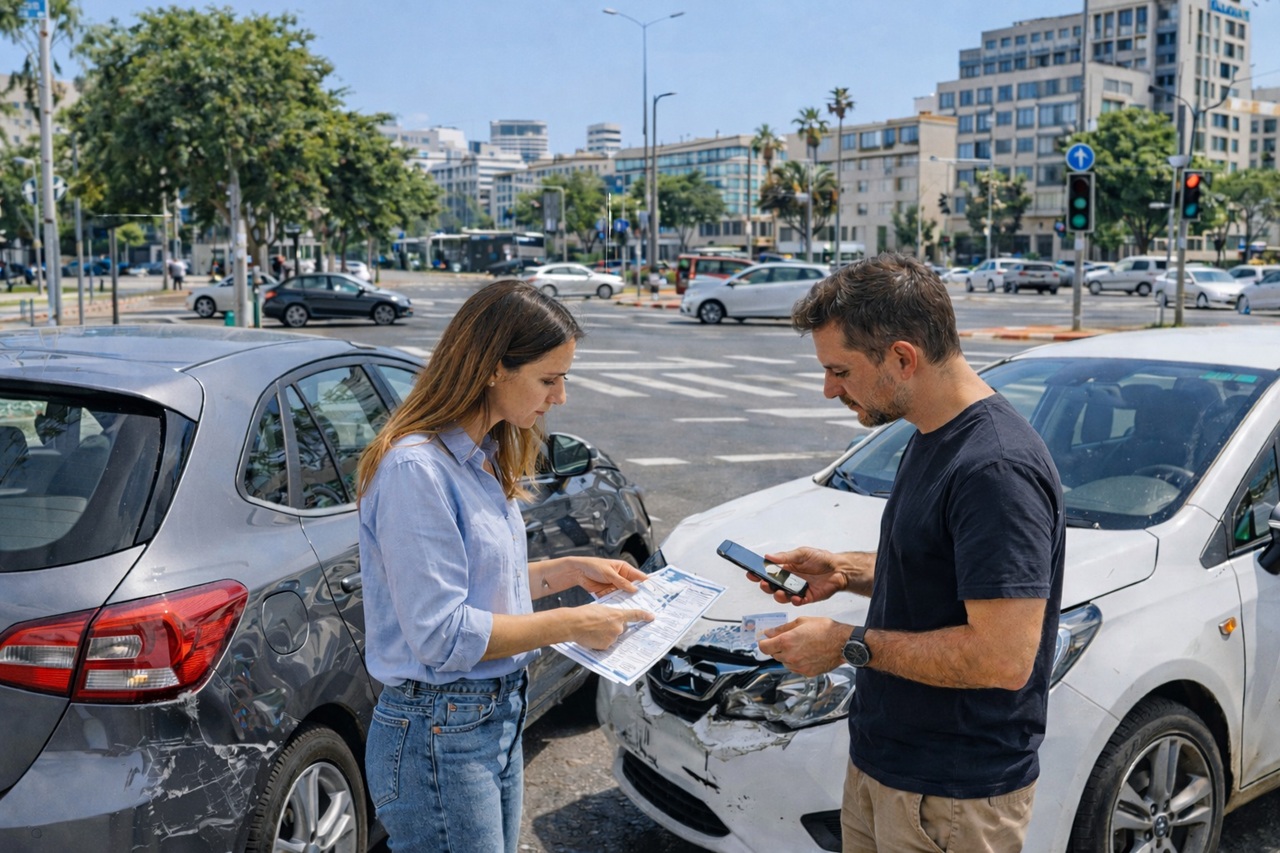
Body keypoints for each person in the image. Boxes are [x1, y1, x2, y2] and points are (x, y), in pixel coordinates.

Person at [754, 253, 1065, 853]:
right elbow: (942, 572)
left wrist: (847, 644)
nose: (828, 389)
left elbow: (1002, 657)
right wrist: (843, 572)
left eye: (840, 371)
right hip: (889, 767)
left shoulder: (995, 468)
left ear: (901, 357)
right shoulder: (930, 434)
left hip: (950, 794)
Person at [356, 279, 653, 853]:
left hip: (490, 713)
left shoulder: (484, 454)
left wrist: (564, 571)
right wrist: (574, 624)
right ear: (494, 368)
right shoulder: (418, 470)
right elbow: (444, 634)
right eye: (549, 378)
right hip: (440, 726)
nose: (560, 396)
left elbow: (480, 590)